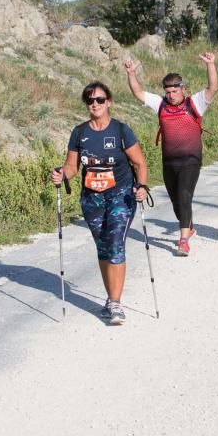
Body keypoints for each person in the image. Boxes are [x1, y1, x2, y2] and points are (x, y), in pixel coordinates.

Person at [51, 80, 148, 325]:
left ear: (109, 102)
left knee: (115, 244)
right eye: (90, 100)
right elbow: (72, 167)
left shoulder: (121, 131)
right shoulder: (80, 132)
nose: (94, 104)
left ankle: (116, 303)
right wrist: (61, 175)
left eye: (100, 100)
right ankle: (109, 299)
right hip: (92, 198)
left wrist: (142, 186)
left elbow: (139, 163)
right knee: (103, 248)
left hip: (121, 194)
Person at [124, 53, 218, 257]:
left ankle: (183, 240)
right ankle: (188, 225)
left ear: (183, 89)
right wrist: (131, 73)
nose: (171, 95)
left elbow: (212, 88)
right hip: (169, 161)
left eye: (175, 91)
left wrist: (210, 65)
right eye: (168, 92)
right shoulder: (161, 104)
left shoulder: (195, 103)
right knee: (176, 201)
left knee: (184, 195)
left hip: (191, 159)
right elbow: (138, 92)